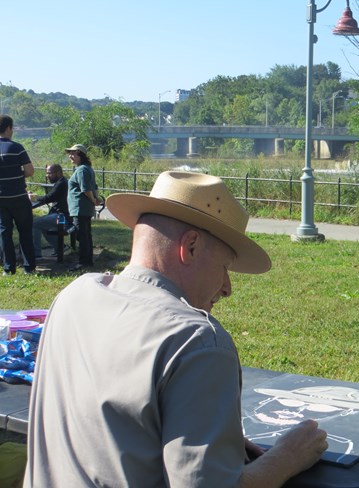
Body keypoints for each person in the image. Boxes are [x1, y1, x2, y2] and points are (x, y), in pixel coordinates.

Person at [25, 171, 328, 487]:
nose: (227, 288)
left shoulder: (74, 296)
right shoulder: (196, 340)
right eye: (224, 267)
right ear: (191, 246)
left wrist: (205, 432)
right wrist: (286, 457)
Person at [0, 115, 36, 275]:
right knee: (25, 231)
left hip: (1, 199)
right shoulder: (16, 147)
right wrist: (17, 175)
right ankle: (29, 267)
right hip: (19, 197)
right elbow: (30, 171)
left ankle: (9, 268)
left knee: (4, 233)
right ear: (8, 128)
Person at [65, 143, 100, 271]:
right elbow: (94, 187)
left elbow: (86, 189)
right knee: (85, 235)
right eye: (70, 153)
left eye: (73, 153)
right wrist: (96, 198)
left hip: (80, 208)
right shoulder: (85, 168)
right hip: (81, 209)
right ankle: (88, 261)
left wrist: (94, 200)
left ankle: (83, 262)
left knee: (81, 236)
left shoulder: (82, 170)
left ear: (81, 155)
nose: (70, 156)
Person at [30, 164, 70, 258]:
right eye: (47, 173)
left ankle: (36, 254)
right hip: (63, 215)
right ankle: (60, 247)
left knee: (34, 224)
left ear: (59, 173)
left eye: (49, 173)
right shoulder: (62, 182)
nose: (47, 176)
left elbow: (48, 198)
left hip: (62, 217)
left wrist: (33, 198)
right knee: (42, 225)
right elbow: (50, 197)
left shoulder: (61, 183)